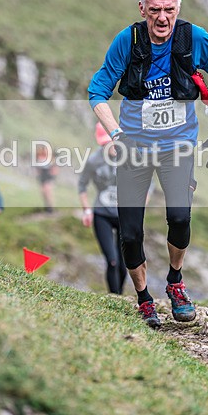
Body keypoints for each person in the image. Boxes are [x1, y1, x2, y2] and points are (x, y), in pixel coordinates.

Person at [88, 0, 208, 328]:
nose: (162, 17)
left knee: (179, 217)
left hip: (178, 146)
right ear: (142, 8)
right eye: (154, 9)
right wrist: (117, 135)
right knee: (129, 232)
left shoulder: (194, 39)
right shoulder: (127, 41)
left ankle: (175, 282)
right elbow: (98, 92)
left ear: (178, 7)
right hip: (134, 148)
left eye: (169, 9)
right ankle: (143, 298)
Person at [78, 123, 127, 295]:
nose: (111, 146)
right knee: (112, 261)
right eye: (106, 143)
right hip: (102, 214)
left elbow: (147, 184)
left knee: (124, 263)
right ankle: (115, 298)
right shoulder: (93, 161)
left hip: (124, 216)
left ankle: (120, 296)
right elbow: (82, 185)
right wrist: (86, 210)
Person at [34, 143, 58, 212]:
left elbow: (54, 166)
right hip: (42, 174)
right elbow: (37, 166)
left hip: (48, 174)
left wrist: (53, 174)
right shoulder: (38, 155)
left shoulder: (50, 156)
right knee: (43, 191)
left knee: (48, 190)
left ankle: (51, 207)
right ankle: (47, 206)